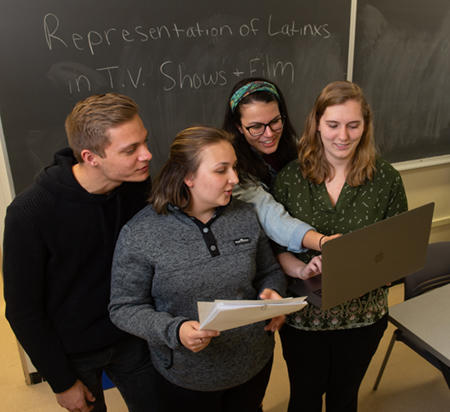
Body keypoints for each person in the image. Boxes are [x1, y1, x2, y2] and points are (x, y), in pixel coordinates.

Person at [108, 126, 321, 412]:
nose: (234, 178)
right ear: (188, 176)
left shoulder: (244, 214)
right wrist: (176, 330)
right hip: (187, 375)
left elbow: (268, 270)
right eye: (222, 170)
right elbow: (124, 307)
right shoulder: (141, 233)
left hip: (253, 361)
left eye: (234, 167)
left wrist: (272, 291)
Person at [3, 93, 158, 412]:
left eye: (144, 142)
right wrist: (59, 380)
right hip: (73, 353)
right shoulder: (30, 213)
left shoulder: (136, 185)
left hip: (132, 336)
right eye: (130, 150)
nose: (147, 155)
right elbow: (23, 309)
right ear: (90, 157)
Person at [271, 81, 408, 411]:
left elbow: (399, 247)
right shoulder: (290, 178)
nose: (343, 136)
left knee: (344, 399)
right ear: (317, 123)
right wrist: (301, 268)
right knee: (304, 398)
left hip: (364, 316)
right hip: (304, 318)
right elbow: (273, 248)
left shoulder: (386, 179)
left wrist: (385, 269)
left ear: (366, 125)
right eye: (333, 125)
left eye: (353, 125)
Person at [222, 77, 338, 254]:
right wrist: (322, 242)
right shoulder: (233, 171)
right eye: (256, 127)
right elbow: (269, 216)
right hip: (267, 259)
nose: (269, 134)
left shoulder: (294, 147)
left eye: (275, 121)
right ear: (238, 127)